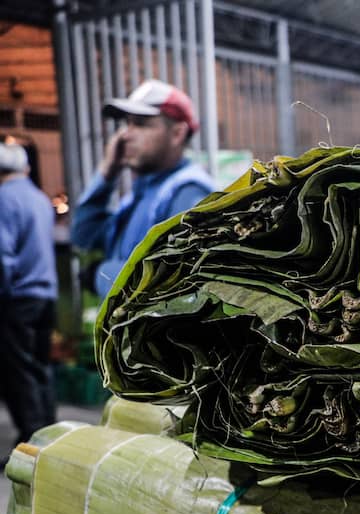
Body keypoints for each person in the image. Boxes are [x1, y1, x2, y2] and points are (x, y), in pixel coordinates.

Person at [71, 79, 214, 297]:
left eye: (140, 124)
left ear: (177, 134)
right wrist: (107, 172)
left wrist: (102, 275)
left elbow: (174, 283)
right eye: (127, 123)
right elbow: (84, 235)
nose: (125, 134)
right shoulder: (142, 193)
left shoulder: (188, 191)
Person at [0, 142, 58, 448]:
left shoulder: (4, 198)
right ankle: (51, 435)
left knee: (18, 371)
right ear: (26, 168)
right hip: (46, 295)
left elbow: (3, 255)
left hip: (18, 298)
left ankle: (32, 442)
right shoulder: (39, 198)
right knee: (41, 366)